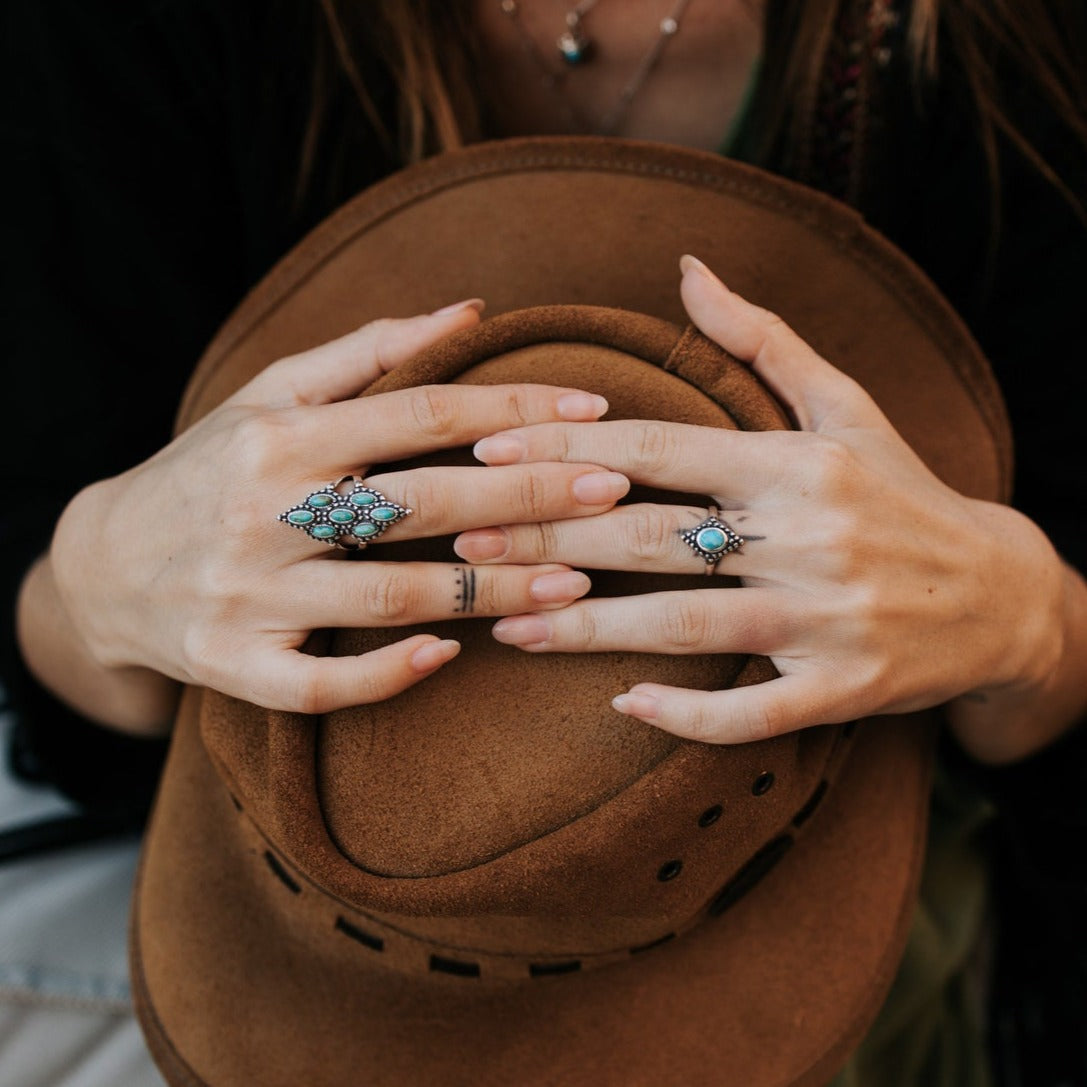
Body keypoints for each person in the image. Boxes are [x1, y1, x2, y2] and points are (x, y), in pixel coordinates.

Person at [3, 1, 1085, 1084]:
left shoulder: (1010, 56)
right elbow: (72, 661)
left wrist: (1028, 624)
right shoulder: (133, 41)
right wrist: (97, 580)